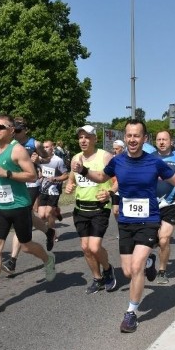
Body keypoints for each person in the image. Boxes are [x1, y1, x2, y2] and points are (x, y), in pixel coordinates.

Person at [71, 119, 175, 333]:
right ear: (125, 137)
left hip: (148, 220)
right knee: (128, 271)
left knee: (136, 267)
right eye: (129, 135)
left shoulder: (154, 162)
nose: (132, 139)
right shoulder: (117, 161)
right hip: (126, 222)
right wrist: (83, 171)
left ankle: (130, 313)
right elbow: (101, 177)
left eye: (137, 136)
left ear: (145, 139)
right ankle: (150, 261)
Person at [0, 115, 56, 308]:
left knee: (26, 246)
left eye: (2, 126)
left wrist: (9, 174)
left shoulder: (17, 150)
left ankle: (48, 259)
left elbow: (32, 175)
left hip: (19, 205)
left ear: (11, 130)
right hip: (1, 207)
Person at [65, 126, 117, 294]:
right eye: (80, 137)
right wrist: (69, 185)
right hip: (80, 208)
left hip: (99, 208)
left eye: (87, 137)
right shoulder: (75, 158)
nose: (83, 140)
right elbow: (71, 178)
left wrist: (110, 192)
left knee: (94, 247)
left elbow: (120, 179)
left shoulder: (105, 157)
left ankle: (108, 269)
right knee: (85, 248)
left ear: (95, 139)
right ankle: (98, 278)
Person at [2, 117, 56, 274]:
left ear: (25, 130)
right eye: (13, 130)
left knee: (21, 216)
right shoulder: (11, 144)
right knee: (29, 217)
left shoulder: (34, 143)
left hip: (31, 185)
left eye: (17, 131)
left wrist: (39, 159)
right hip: (16, 184)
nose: (15, 133)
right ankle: (49, 231)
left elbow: (47, 158)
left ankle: (12, 261)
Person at [152, 131, 175, 284]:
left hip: (171, 203)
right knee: (149, 239)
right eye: (159, 139)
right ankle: (150, 258)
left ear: (170, 141)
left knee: (164, 239)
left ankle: (162, 270)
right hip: (151, 204)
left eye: (164, 139)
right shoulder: (149, 158)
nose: (161, 142)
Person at [37, 140, 69, 238]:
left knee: (48, 214)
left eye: (47, 147)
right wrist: (40, 173)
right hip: (43, 188)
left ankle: (52, 233)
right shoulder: (40, 159)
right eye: (44, 147)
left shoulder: (58, 160)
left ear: (52, 148)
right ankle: (56, 211)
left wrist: (55, 178)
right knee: (41, 215)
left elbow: (65, 175)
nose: (45, 149)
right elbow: (39, 169)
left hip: (54, 190)